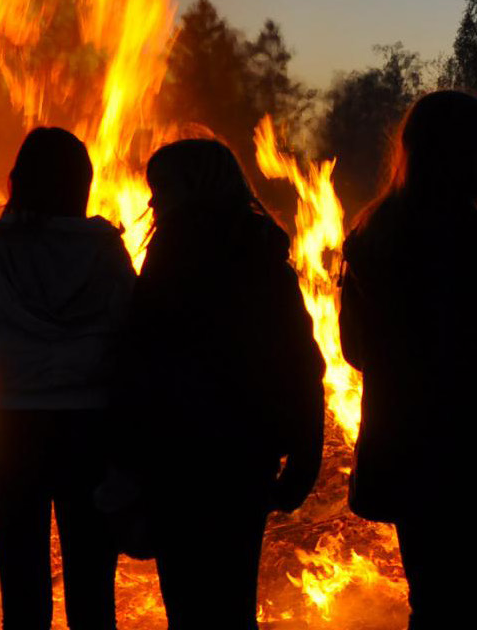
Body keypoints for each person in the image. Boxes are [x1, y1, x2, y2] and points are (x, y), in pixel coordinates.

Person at [339, 90, 477, 630]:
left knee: (434, 605)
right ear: (455, 153)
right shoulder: (470, 236)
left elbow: (354, 350)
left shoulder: (374, 235)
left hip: (409, 459)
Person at [118, 138, 325, 628]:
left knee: (189, 608)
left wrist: (128, 462)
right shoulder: (260, 256)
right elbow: (300, 365)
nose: (152, 201)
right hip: (241, 462)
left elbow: (140, 368)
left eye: (161, 188)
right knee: (232, 603)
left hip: (180, 465)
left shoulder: (169, 262)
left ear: (193, 189)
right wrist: (303, 455)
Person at [0, 127, 136, 630]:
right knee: (93, 591)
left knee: (22, 594)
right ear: (81, 182)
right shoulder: (107, 250)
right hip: (92, 431)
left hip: (14, 431)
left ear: (18, 181)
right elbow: (134, 342)